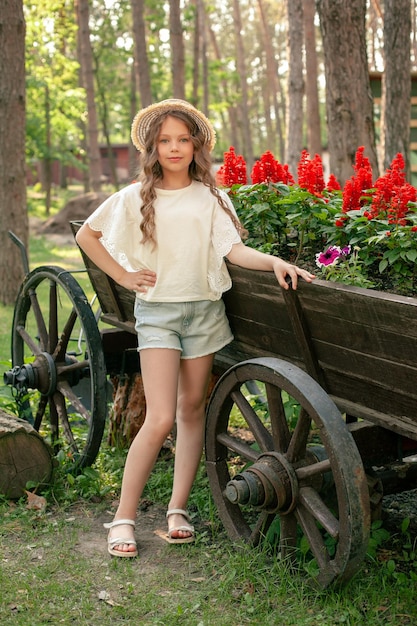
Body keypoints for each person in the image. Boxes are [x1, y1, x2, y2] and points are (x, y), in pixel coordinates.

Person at [76, 99, 315, 558]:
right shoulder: (134, 197)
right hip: (159, 314)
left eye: (182, 139)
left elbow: (234, 252)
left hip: (204, 314)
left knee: (191, 412)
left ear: (195, 145)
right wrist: (123, 277)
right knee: (161, 416)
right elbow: (89, 234)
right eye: (165, 140)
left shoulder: (211, 197)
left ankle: (177, 509)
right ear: (152, 147)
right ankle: (123, 517)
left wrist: (275, 262)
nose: (174, 148)